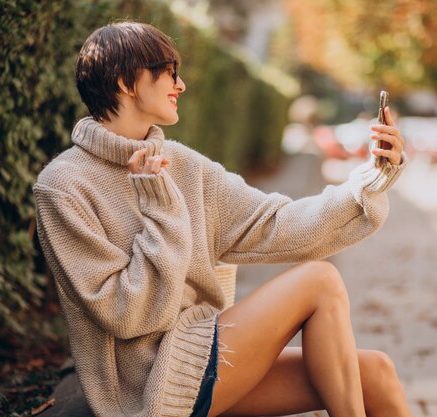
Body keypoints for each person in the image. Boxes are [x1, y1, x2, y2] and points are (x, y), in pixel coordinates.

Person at [34, 21, 412, 417]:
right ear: (126, 81)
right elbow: (127, 315)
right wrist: (160, 208)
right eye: (169, 73)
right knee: (319, 280)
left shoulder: (182, 165)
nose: (180, 86)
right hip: (146, 388)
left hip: (204, 358)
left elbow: (277, 224)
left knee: (377, 372)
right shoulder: (62, 187)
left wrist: (372, 178)